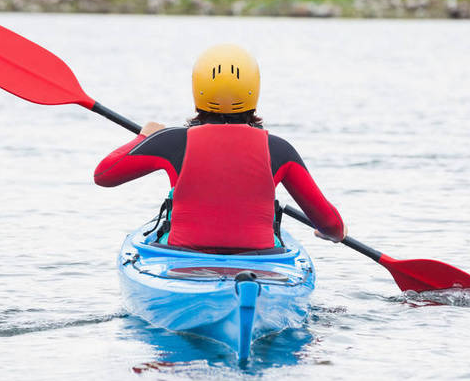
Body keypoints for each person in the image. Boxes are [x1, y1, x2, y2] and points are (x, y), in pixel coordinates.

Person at [94, 43, 346, 253]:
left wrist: (144, 138)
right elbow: (331, 224)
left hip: (182, 261)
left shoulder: (172, 141)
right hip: (262, 263)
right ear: (254, 89)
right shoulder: (279, 150)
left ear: (197, 88)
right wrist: (332, 233)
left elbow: (104, 175)